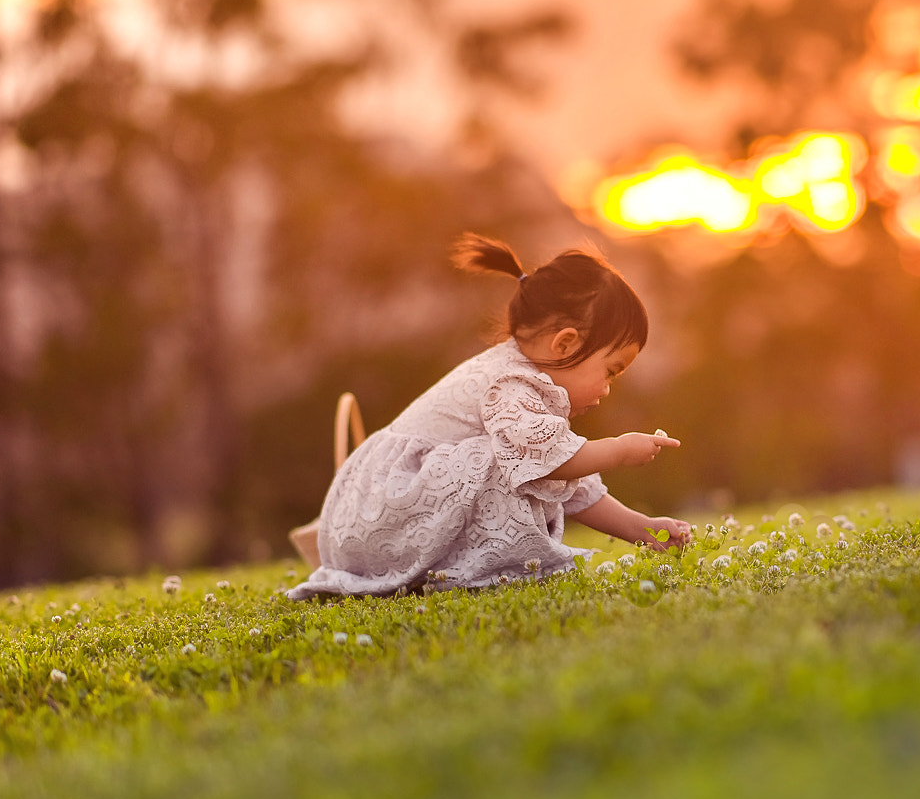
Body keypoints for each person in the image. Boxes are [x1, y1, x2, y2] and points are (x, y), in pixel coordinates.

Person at [286, 234, 690, 599]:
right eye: (610, 371)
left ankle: (472, 570)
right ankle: (492, 572)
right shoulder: (510, 384)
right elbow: (552, 465)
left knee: (526, 459)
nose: (606, 388)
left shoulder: (530, 395)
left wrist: (641, 528)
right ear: (566, 344)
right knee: (511, 461)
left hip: (387, 514)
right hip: (384, 513)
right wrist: (618, 450)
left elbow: (568, 478)